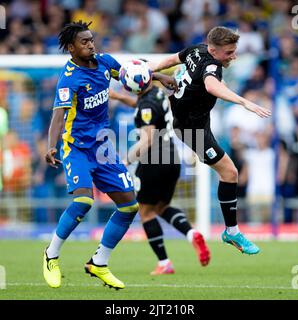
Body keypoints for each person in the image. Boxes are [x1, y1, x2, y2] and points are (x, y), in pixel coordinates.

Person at [43, 21, 175, 290]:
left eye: (91, 39)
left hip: (103, 147)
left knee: (129, 206)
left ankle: (98, 263)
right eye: (84, 41)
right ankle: (51, 255)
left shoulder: (105, 62)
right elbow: (59, 114)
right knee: (83, 201)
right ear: (71, 48)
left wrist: (159, 77)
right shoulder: (70, 77)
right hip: (76, 147)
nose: (91, 44)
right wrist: (51, 145)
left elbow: (131, 74)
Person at [147, 26, 272, 255]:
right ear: (213, 50)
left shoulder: (198, 49)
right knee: (230, 173)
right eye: (229, 52)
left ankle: (231, 231)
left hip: (196, 121)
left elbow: (174, 58)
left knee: (228, 172)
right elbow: (211, 85)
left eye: (234, 51)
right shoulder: (212, 65)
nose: (233, 56)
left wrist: (151, 69)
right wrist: (245, 103)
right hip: (190, 129)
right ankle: (231, 232)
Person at [110, 84, 210, 275]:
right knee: (161, 207)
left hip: (154, 160)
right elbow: (141, 106)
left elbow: (146, 139)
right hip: (172, 158)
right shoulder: (156, 93)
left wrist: (125, 160)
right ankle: (192, 234)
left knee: (146, 212)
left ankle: (164, 263)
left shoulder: (146, 104)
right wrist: (118, 96)